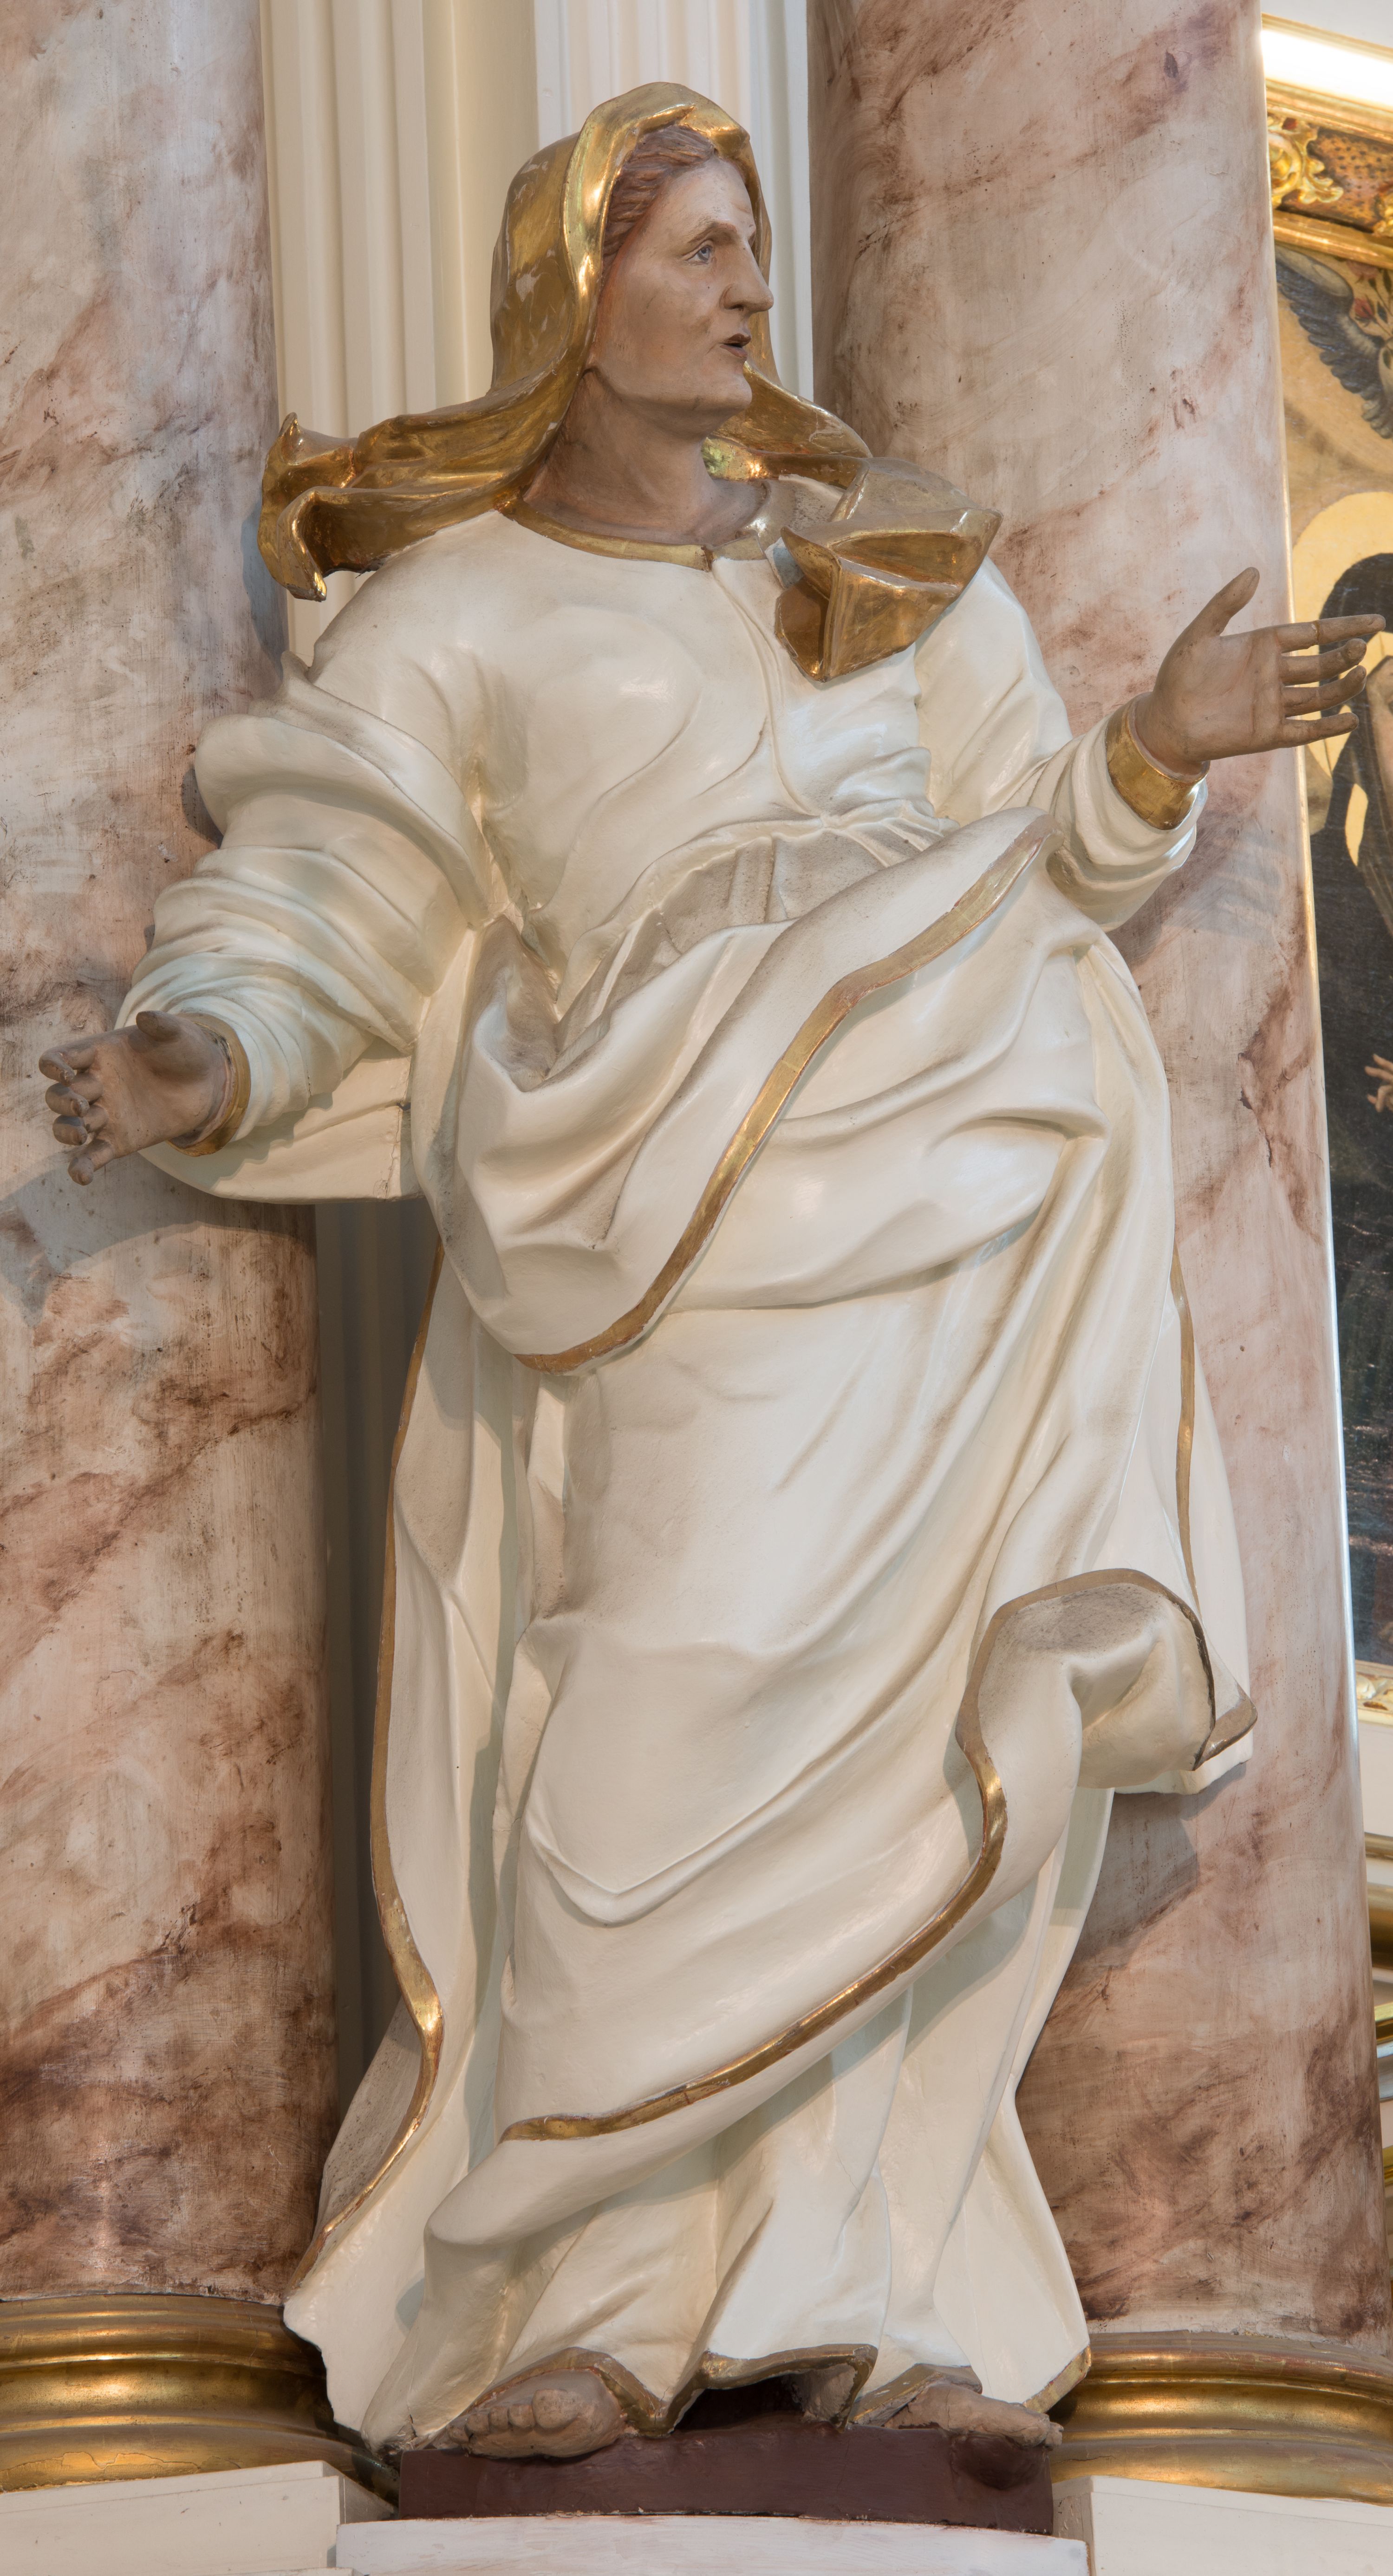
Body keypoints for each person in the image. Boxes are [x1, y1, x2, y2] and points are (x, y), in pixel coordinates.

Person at [38, 88, 1379, 2463]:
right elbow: (333, 881)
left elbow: (1040, 861)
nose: (751, 289)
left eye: (755, 246)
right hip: (654, 1238)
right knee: (650, 1703)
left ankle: (876, 2286)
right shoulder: (460, 612)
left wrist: (1151, 754)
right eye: (698, 249)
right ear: (577, 298)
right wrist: (208, 1047)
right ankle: (576, 2290)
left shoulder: (897, 574)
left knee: (930, 1730)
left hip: (950, 1207)